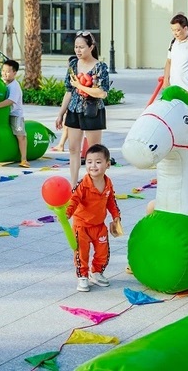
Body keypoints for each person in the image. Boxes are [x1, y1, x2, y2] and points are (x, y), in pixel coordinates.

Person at [55, 32, 110, 188]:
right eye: (76, 47)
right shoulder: (73, 65)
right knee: (73, 149)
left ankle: (94, 184)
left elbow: (102, 93)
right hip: (74, 110)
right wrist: (61, 113)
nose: (78, 50)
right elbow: (68, 91)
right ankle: (73, 184)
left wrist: (79, 86)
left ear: (91, 47)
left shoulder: (100, 67)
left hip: (92, 111)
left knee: (94, 153)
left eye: (81, 47)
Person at [66, 144, 123, 292]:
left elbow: (111, 201)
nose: (93, 166)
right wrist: (67, 213)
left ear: (108, 164)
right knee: (81, 253)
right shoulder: (82, 185)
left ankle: (96, 272)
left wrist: (116, 216)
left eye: (98, 162)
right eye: (89, 162)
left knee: (103, 252)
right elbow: (73, 200)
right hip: (82, 226)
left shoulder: (108, 182)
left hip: (99, 225)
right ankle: (82, 276)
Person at [0, 59, 29, 167]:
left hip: (14, 115)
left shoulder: (14, 86)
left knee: (20, 134)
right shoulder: (1, 83)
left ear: (14, 73)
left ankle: (24, 159)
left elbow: (10, 101)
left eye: (8, 71)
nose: (4, 73)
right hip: (2, 114)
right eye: (3, 70)